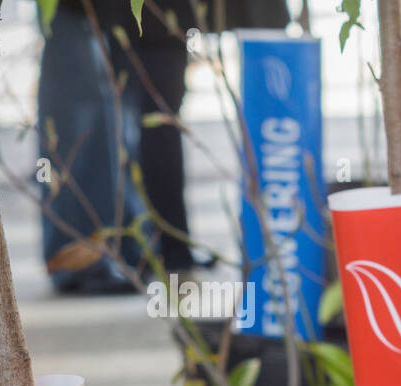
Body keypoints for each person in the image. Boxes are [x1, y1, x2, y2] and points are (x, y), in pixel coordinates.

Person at [38, 0, 290, 293]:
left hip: (151, 17)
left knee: (144, 120)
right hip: (117, 16)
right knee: (110, 116)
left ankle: (153, 247)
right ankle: (114, 256)